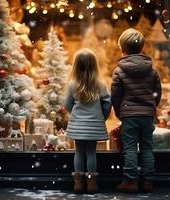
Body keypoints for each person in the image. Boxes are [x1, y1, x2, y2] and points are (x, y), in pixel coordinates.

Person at [111, 28, 162, 193]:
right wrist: (152, 107)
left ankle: (130, 181)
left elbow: (116, 96)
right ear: (141, 47)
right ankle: (148, 181)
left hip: (129, 115)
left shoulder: (119, 71)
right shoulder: (152, 70)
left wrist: (120, 112)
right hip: (147, 115)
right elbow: (157, 92)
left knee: (130, 148)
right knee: (147, 147)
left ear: (122, 48)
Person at [64, 48, 111, 194]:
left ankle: (78, 184)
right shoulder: (100, 84)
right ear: (94, 65)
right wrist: (101, 117)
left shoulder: (73, 84)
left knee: (78, 152)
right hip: (94, 125)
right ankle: (92, 184)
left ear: (76, 66)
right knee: (91, 152)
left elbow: (67, 104)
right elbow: (107, 102)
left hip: (78, 125)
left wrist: (76, 115)